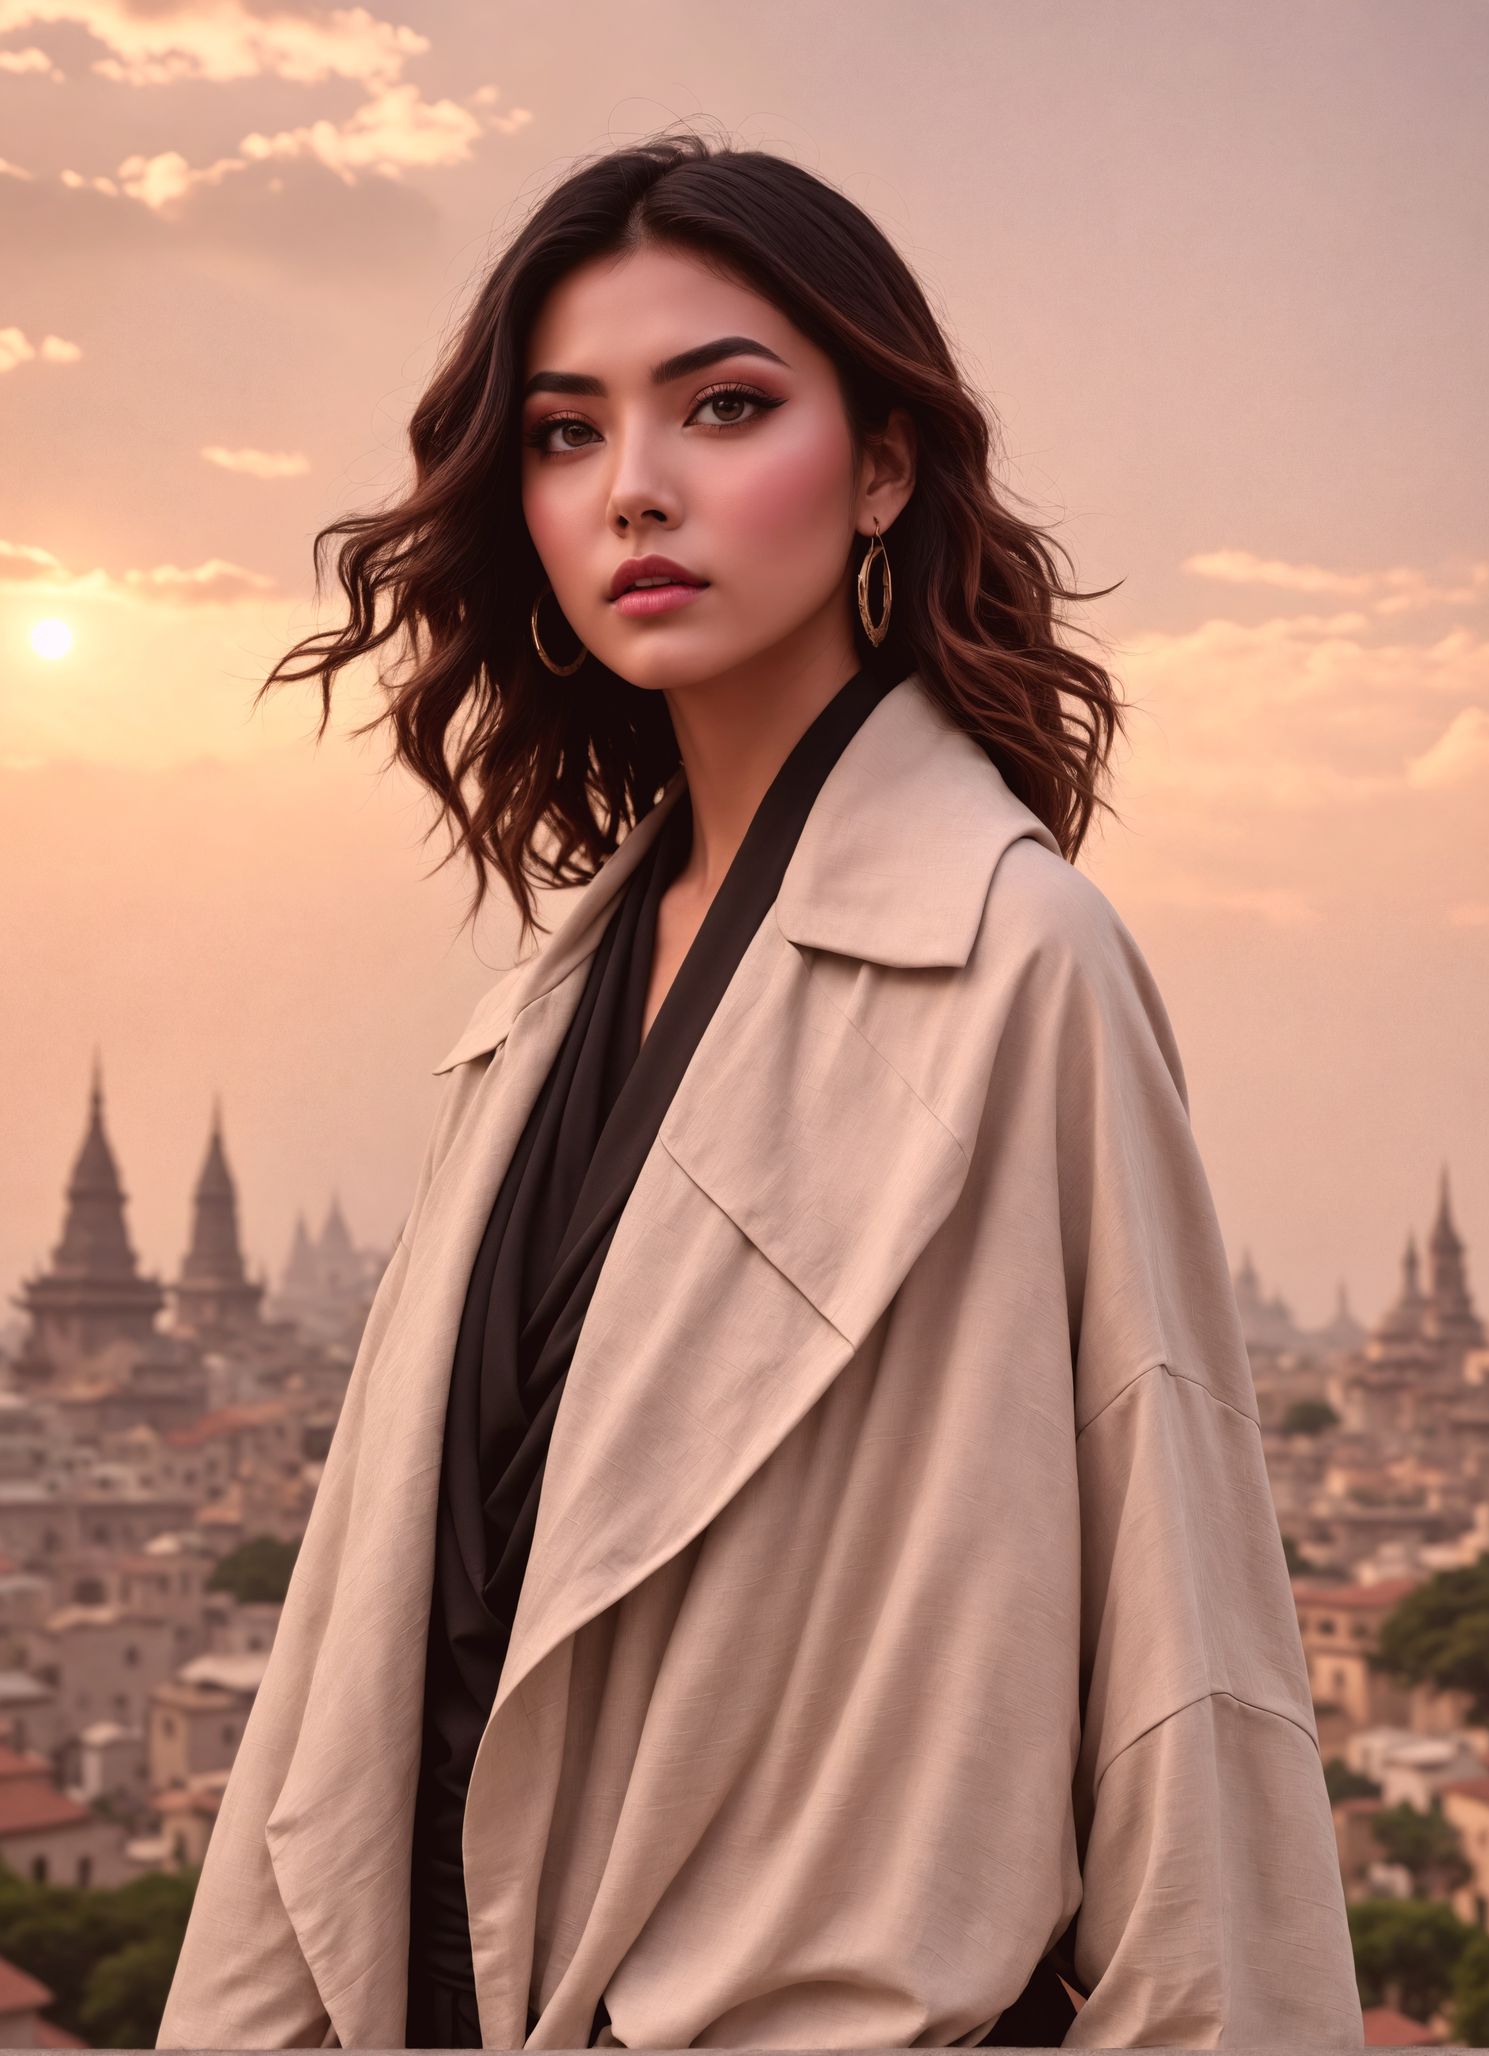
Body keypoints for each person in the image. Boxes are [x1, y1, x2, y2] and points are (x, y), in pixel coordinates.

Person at [156, 127, 1363, 2050]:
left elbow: (1187, 1681)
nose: (636, 487)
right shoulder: (545, 1010)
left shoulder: (1023, 963)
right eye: (565, 433)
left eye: (722, 406)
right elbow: (364, 1676)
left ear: (883, 465)